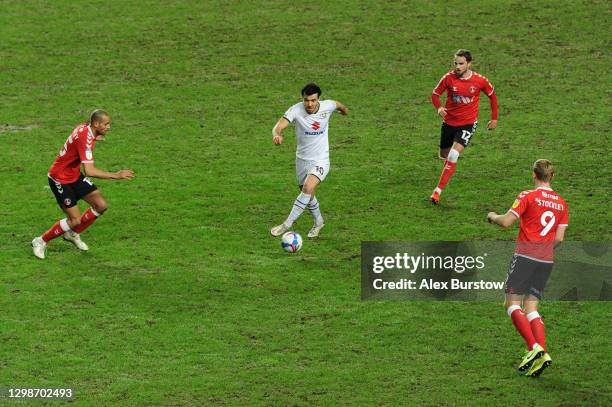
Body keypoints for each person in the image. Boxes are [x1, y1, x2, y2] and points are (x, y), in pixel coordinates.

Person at [487, 159, 568, 377]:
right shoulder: (562, 203)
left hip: (525, 256)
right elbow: (559, 238)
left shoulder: (527, 196)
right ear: (551, 177)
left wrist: (492, 216)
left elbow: (506, 222)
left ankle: (534, 348)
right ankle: (542, 355)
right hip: (546, 259)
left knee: (511, 304)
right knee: (531, 307)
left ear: (534, 175)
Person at [32, 110, 134, 259]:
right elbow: (90, 171)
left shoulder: (84, 128)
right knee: (75, 220)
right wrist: (116, 175)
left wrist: (94, 138)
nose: (109, 127)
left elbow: (81, 136)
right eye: (106, 124)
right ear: (96, 124)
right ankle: (40, 241)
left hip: (73, 175)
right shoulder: (85, 139)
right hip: (59, 179)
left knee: (101, 205)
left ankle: (72, 234)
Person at [270, 83, 348, 238]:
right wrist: (276, 134)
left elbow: (339, 105)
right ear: (303, 99)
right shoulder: (296, 110)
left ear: (319, 98)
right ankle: (319, 222)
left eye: (313, 100)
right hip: (302, 159)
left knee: (307, 187)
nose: (309, 104)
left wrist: (344, 111)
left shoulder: (328, 106)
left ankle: (287, 223)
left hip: (321, 160)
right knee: (307, 193)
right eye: (306, 100)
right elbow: (278, 126)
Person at [430, 49, 499, 204]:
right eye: (455, 63)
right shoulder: (448, 78)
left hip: (468, 124)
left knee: (453, 155)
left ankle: (437, 191)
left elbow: (492, 96)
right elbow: (435, 94)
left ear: (469, 64)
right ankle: (448, 168)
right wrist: (440, 108)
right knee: (444, 155)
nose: (457, 66)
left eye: (461, 64)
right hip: (449, 123)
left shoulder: (480, 81)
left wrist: (494, 118)